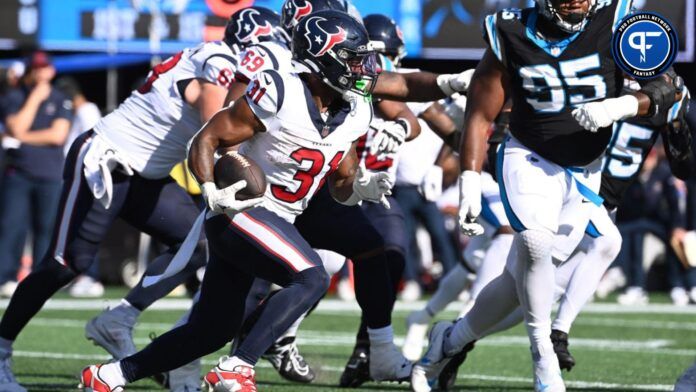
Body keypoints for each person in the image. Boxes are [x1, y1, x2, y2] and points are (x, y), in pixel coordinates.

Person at [78, 10, 391, 391]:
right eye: (353, 59)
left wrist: (361, 187)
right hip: (239, 211)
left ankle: (109, 376)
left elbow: (341, 183)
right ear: (321, 57)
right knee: (311, 277)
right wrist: (210, 187)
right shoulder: (281, 90)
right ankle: (236, 368)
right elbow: (206, 140)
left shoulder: (357, 111)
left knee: (211, 330)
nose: (364, 69)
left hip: (279, 221)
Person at [411, 0, 682, 391]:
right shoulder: (511, 30)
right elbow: (481, 112)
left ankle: (449, 340)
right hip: (529, 155)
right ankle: (544, 360)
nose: (575, 1)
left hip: (585, 170)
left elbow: (668, 85)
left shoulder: (619, 19)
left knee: (516, 284)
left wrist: (621, 105)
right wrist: (469, 177)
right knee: (536, 243)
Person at [0, 15, 250, 390]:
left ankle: (120, 318)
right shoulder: (219, 59)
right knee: (65, 262)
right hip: (108, 158)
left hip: (147, 172)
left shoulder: (230, 65)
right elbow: (213, 122)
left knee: (199, 244)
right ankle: (1, 348)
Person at [0, 52, 72, 299]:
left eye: (45, 68)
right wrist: (34, 99)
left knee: (47, 230)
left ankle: (41, 281)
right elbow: (15, 125)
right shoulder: (15, 97)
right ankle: (6, 277)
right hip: (19, 173)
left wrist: (23, 137)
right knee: (12, 226)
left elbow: (57, 136)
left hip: (50, 174)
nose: (41, 74)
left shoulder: (61, 98)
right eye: (37, 69)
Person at [54, 76, 106, 298]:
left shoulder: (88, 111)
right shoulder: (79, 113)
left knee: (85, 227)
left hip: (86, 176)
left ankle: (90, 275)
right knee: (73, 228)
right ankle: (78, 274)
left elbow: (91, 144)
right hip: (74, 175)